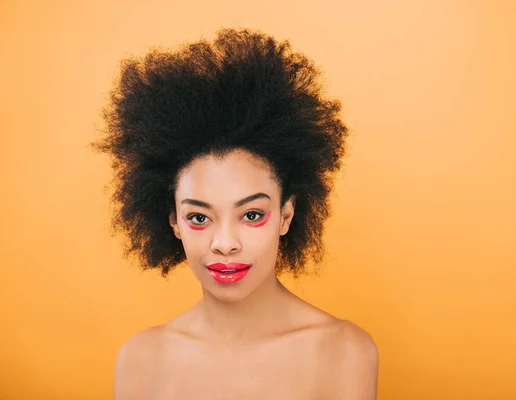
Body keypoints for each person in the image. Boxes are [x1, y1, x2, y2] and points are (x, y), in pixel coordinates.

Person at [93, 27, 378, 399]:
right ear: (174, 222)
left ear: (286, 215)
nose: (225, 244)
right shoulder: (141, 359)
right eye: (199, 218)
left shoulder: (344, 351)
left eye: (251, 215)